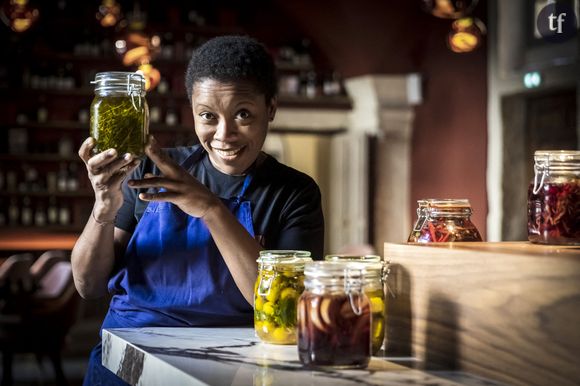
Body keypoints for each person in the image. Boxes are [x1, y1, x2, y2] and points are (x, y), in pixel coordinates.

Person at [72, 35, 324, 385]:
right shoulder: (150, 170)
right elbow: (89, 284)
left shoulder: (294, 194)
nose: (225, 134)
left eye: (243, 114)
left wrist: (209, 208)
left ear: (271, 109)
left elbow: (284, 312)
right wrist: (103, 206)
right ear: (192, 110)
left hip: (230, 365)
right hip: (126, 359)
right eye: (208, 116)